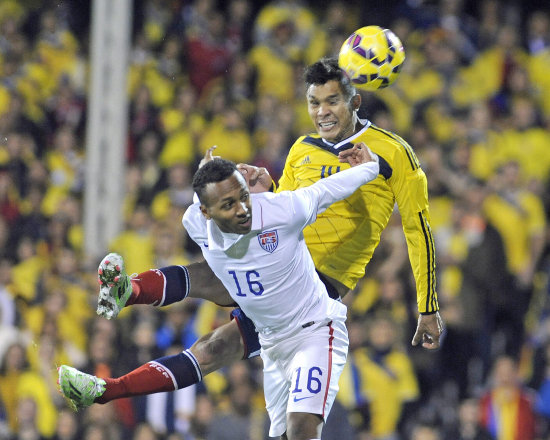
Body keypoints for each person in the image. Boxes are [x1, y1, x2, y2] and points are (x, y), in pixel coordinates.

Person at [58, 57, 442, 422]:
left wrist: (427, 306)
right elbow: (284, 210)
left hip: (312, 289)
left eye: (332, 101)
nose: (322, 111)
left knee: (211, 341)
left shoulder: (394, 153)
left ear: (354, 100)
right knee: (211, 321)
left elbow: (417, 228)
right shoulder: (302, 149)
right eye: (313, 102)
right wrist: (266, 188)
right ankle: (112, 357)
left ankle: (123, 328)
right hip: (278, 258)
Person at [60, 145, 380, 439]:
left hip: (311, 327)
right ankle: (106, 384)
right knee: (209, 331)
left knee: (299, 427)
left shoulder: (281, 210)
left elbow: (326, 190)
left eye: (243, 196)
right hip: (262, 320)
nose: (242, 209)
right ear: (206, 213)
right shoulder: (196, 224)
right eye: (228, 204)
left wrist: (370, 167)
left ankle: (130, 292)